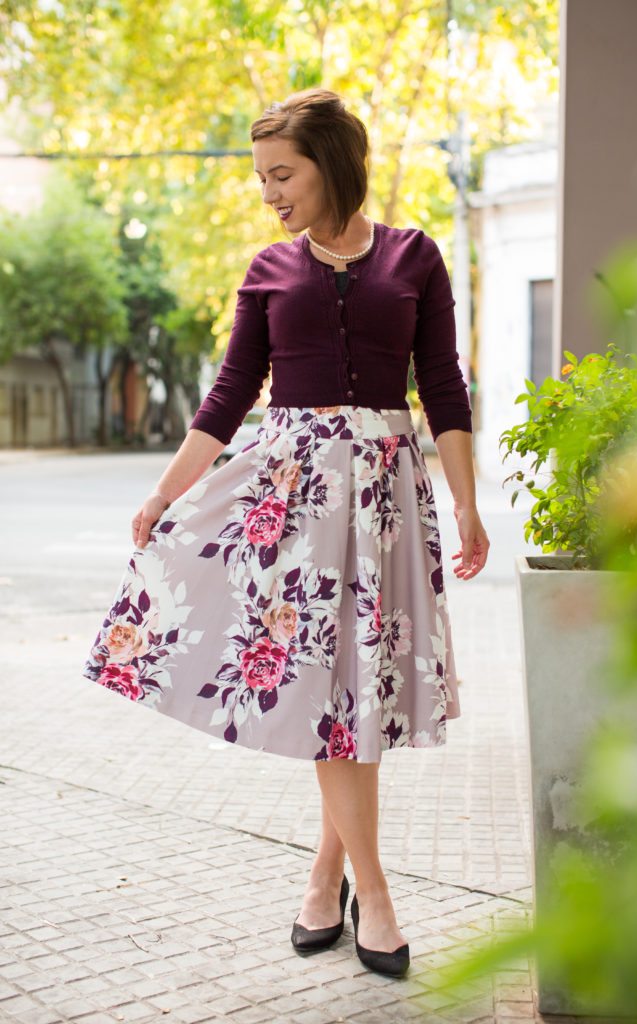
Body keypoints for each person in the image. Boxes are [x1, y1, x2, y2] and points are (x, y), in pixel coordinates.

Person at [82, 87, 490, 979]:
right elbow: (228, 398)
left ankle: (324, 874)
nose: (269, 192)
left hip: (384, 498)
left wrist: (465, 504)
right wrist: (162, 495)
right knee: (328, 697)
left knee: (355, 696)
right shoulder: (268, 269)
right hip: (293, 504)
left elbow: (443, 389)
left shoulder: (416, 257)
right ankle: (373, 894)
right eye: (263, 178)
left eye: (282, 174)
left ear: (331, 164)